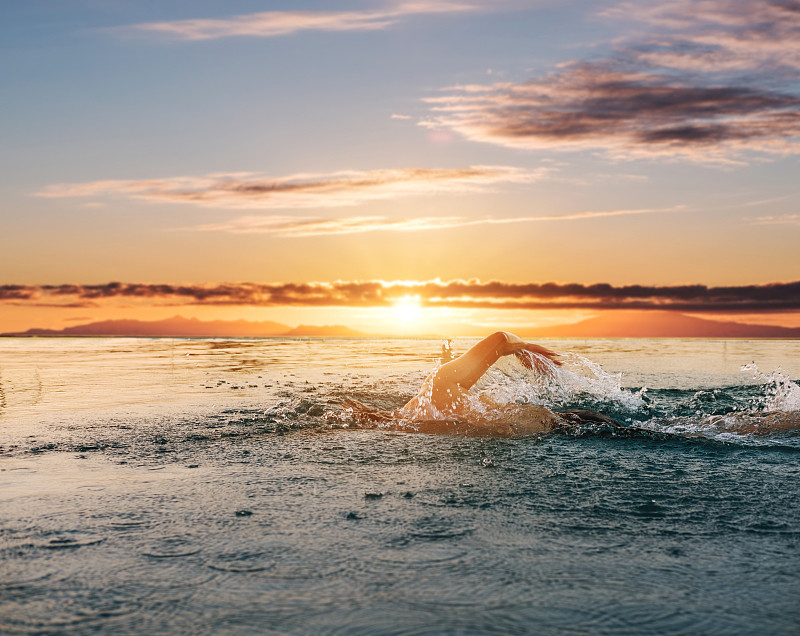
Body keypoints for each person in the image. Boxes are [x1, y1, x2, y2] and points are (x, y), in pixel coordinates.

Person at [344, 331, 622, 437]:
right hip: (551, 426)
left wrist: (528, 350)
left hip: (547, 427)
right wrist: (528, 350)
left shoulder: (431, 403)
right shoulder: (432, 398)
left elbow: (499, 339)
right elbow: (501, 340)